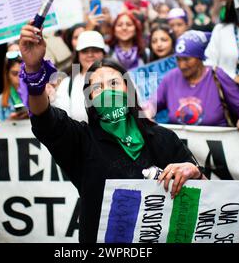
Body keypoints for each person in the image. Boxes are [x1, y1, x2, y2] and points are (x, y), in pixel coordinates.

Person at [18, 22, 206, 243]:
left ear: (130, 89)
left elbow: (206, 193)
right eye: (97, 88)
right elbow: (44, 117)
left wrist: (194, 172)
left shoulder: (163, 138)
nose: (107, 91)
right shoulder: (81, 140)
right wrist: (33, 71)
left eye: (114, 83)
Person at [151, 30, 239, 130]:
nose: (182, 65)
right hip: (180, 145)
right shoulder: (171, 78)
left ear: (199, 58)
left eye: (187, 59)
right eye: (178, 59)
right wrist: (144, 117)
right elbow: (150, 105)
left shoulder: (217, 76)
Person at [52, 31, 106, 122]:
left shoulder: (117, 79)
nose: (90, 55)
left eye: (95, 50)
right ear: (78, 54)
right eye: (85, 51)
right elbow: (62, 118)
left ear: (103, 53)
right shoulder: (66, 83)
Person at [0, 56, 28, 121]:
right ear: (7, 75)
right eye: (14, 74)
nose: (20, 78)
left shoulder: (37, 96)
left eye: (23, 74)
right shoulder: (0, 100)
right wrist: (9, 122)